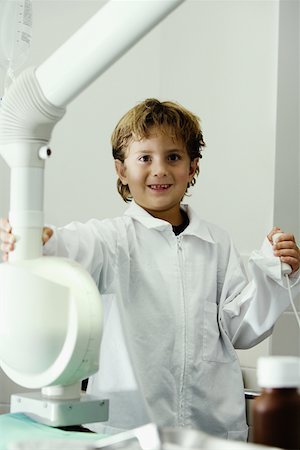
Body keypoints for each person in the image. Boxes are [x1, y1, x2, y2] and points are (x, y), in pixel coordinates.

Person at [0, 98, 300, 441]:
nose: (159, 169)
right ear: (122, 170)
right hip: (130, 427)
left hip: (212, 425)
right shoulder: (111, 238)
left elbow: (240, 330)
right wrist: (36, 239)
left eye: (173, 157)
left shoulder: (216, 242)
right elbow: (69, 247)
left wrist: (278, 274)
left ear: (193, 167)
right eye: (145, 158)